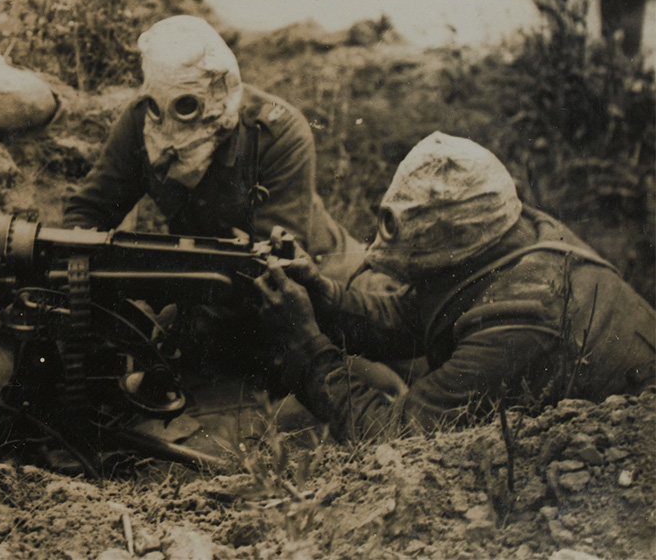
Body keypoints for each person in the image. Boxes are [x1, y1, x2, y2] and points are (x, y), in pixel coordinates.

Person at [254, 132, 656, 441]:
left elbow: (400, 438)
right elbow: (414, 315)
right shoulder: (510, 231)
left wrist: (307, 348)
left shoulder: (525, 315)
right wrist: (324, 298)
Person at [62, 15, 365, 282]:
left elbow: (276, 264)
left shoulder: (277, 134)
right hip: (206, 273)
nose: (173, 116)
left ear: (221, 88)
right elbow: (91, 208)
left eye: (187, 104)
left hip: (320, 273)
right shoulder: (141, 121)